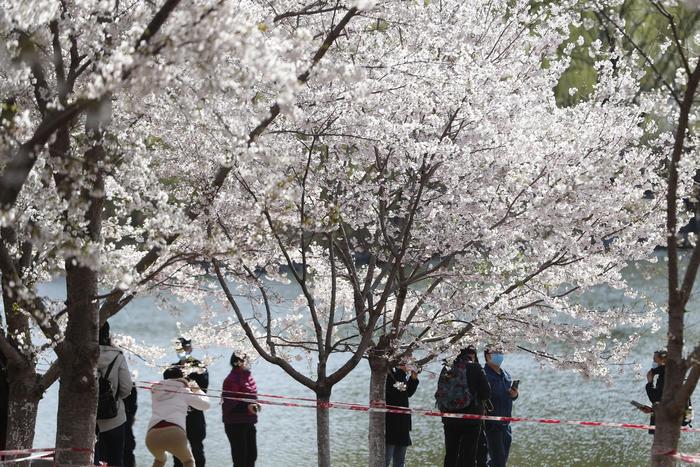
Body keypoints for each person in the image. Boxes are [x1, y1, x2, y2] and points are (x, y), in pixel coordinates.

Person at [146, 366, 210, 467]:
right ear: (181, 378)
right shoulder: (184, 391)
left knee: (159, 461)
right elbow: (205, 405)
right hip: (174, 433)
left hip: (152, 435)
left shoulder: (156, 390)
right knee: (188, 461)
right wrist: (197, 390)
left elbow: (168, 385)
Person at [441, 346, 491, 467]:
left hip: (450, 417)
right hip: (471, 419)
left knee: (451, 453)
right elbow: (486, 393)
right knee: (469, 454)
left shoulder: (447, 367)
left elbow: (442, 391)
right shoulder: (475, 367)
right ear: (472, 355)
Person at [95, 322, 133, 467]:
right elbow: (126, 387)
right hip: (114, 416)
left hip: (87, 418)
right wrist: (113, 397)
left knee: (90, 458)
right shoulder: (117, 356)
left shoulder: (80, 355)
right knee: (115, 460)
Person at [172, 337, 209, 467]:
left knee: (197, 449)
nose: (184, 352)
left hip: (195, 414)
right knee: (177, 451)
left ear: (191, 348)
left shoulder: (199, 366)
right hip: (177, 416)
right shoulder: (172, 369)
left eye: (186, 348)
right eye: (181, 349)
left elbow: (204, 390)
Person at [222, 352, 259, 467]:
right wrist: (247, 407)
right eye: (247, 360)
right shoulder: (231, 379)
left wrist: (256, 405)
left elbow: (251, 397)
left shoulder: (248, 375)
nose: (249, 362)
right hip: (235, 423)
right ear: (239, 362)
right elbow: (228, 405)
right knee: (240, 459)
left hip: (249, 421)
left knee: (252, 456)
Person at [483, 348, 518, 467]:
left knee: (500, 461)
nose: (499, 355)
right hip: (492, 425)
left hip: (506, 425)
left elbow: (510, 396)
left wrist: (514, 395)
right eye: (496, 353)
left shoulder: (506, 374)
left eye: (500, 353)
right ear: (487, 356)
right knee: (498, 462)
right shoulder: (484, 375)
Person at [385, 363, 419, 467]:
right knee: (385, 460)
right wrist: (401, 371)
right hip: (390, 423)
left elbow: (406, 393)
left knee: (400, 462)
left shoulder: (399, 374)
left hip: (403, 422)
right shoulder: (388, 372)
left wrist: (413, 379)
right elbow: (395, 392)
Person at [644, 349, 667, 433]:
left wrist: (649, 383)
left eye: (655, 360)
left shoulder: (665, 377)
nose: (653, 362)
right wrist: (651, 409)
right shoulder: (669, 374)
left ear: (663, 360)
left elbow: (654, 398)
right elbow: (660, 400)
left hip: (662, 423)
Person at [123, 382, 138, 467]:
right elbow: (133, 405)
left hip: (104, 421)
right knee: (128, 451)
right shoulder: (130, 383)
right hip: (126, 419)